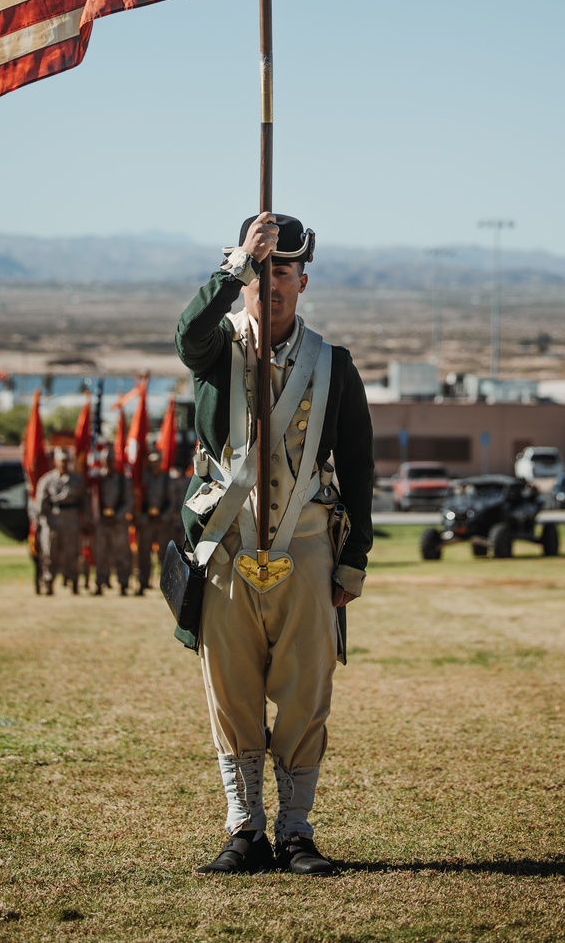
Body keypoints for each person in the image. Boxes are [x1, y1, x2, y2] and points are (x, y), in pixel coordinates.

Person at [175, 213, 374, 876]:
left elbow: (360, 466)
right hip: (227, 545)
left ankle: (295, 831)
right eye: (261, 271)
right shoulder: (216, 349)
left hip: (309, 547)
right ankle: (244, 830)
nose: (272, 283)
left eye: (283, 270)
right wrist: (233, 267)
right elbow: (186, 335)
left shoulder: (333, 365)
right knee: (230, 693)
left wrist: (355, 558)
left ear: (303, 279)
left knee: (303, 692)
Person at [32, 446, 90, 595]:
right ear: (55, 462)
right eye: (61, 460)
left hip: (71, 519)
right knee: (49, 554)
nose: (64, 463)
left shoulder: (77, 480)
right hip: (52, 520)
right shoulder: (46, 480)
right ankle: (48, 582)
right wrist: (39, 522)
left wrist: (87, 521)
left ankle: (74, 582)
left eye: (66, 460)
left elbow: (85, 502)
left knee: (72, 553)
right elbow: (41, 503)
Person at [95, 443, 133, 595]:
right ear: (102, 461)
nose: (109, 462)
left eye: (112, 459)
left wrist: (117, 516)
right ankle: (100, 583)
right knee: (101, 554)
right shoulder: (96, 479)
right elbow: (91, 499)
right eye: (106, 460)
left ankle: (123, 583)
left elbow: (128, 500)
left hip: (118, 523)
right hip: (101, 522)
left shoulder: (123, 480)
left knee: (121, 553)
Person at [136, 449, 174, 595]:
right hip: (147, 522)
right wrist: (143, 517)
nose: (154, 465)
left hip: (162, 523)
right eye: (151, 462)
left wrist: (163, 517)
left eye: (156, 462)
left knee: (164, 554)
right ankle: (143, 582)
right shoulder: (144, 478)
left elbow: (172, 502)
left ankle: (166, 584)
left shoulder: (167, 479)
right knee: (143, 553)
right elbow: (139, 499)